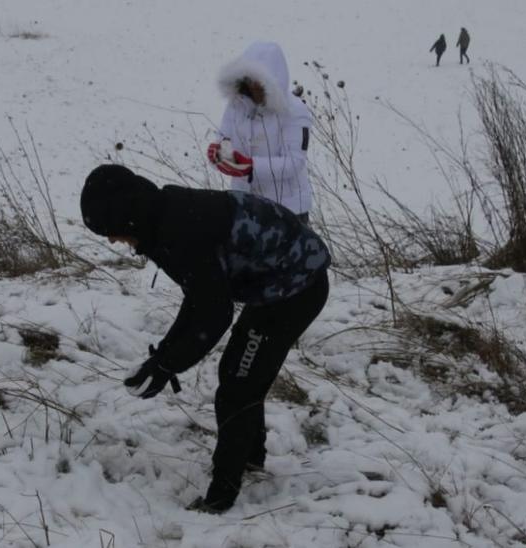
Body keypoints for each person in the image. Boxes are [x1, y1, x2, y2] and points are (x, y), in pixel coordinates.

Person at [81, 164, 331, 514]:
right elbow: (199, 297)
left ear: (127, 217)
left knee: (237, 384)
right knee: (240, 374)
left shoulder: (179, 231)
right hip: (276, 284)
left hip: (297, 287)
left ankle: (221, 497)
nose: (112, 240)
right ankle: (250, 459)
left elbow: (214, 314)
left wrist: (167, 366)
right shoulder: (160, 219)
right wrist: (163, 358)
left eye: (110, 231)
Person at [208, 41, 314, 224]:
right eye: (247, 80)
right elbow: (225, 139)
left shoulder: (294, 111)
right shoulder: (236, 105)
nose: (252, 86)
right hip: (244, 206)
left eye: (258, 81)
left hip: (287, 210)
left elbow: (294, 162)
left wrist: (250, 166)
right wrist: (220, 155)